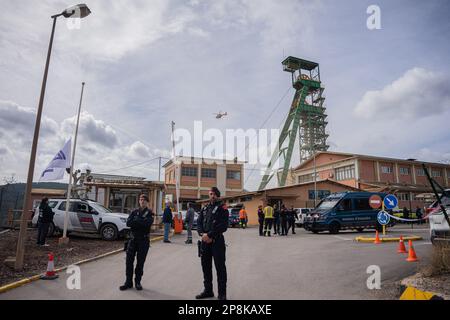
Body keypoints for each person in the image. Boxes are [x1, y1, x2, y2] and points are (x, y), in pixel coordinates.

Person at [196, 187, 229, 300]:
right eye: (210, 194)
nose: (212, 196)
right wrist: (202, 235)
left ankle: (222, 294)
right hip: (205, 242)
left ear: (218, 195)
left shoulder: (222, 208)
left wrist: (209, 235)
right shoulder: (205, 208)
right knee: (206, 267)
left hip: (217, 242)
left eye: (214, 194)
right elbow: (199, 222)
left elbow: (223, 226)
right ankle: (208, 291)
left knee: (220, 268)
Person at [120, 194, 154, 291]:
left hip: (143, 241)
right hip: (132, 240)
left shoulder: (150, 213)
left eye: (144, 200)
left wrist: (137, 221)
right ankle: (128, 282)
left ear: (147, 202)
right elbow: (128, 223)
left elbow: (147, 224)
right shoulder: (134, 212)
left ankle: (138, 282)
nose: (142, 201)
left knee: (140, 262)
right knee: (129, 262)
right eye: (140, 199)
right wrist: (140, 221)